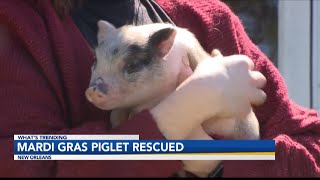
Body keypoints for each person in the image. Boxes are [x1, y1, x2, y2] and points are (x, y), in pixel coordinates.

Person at [0, 0, 319, 177]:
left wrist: (215, 160)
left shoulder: (206, 20)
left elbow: (311, 145)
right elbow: (27, 157)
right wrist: (178, 117)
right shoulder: (16, 27)